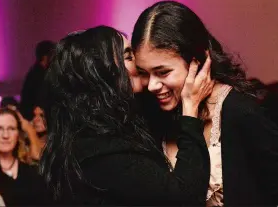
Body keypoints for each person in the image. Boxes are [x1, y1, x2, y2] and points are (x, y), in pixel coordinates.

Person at [39, 26, 213, 206]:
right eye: (129, 56)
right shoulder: (102, 151)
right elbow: (184, 197)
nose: (138, 64)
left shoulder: (92, 131)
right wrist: (191, 107)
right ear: (103, 74)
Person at [131, 0, 278, 206]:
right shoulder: (150, 115)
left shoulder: (239, 112)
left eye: (163, 72)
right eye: (144, 73)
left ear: (196, 61)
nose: (152, 85)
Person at [0, 108, 52, 206]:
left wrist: (29, 130)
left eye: (11, 129)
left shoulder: (32, 174)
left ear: (18, 133)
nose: (5, 135)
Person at [20, 40, 56, 120]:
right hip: (37, 121)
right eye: (53, 54)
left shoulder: (35, 73)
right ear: (45, 56)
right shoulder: (37, 76)